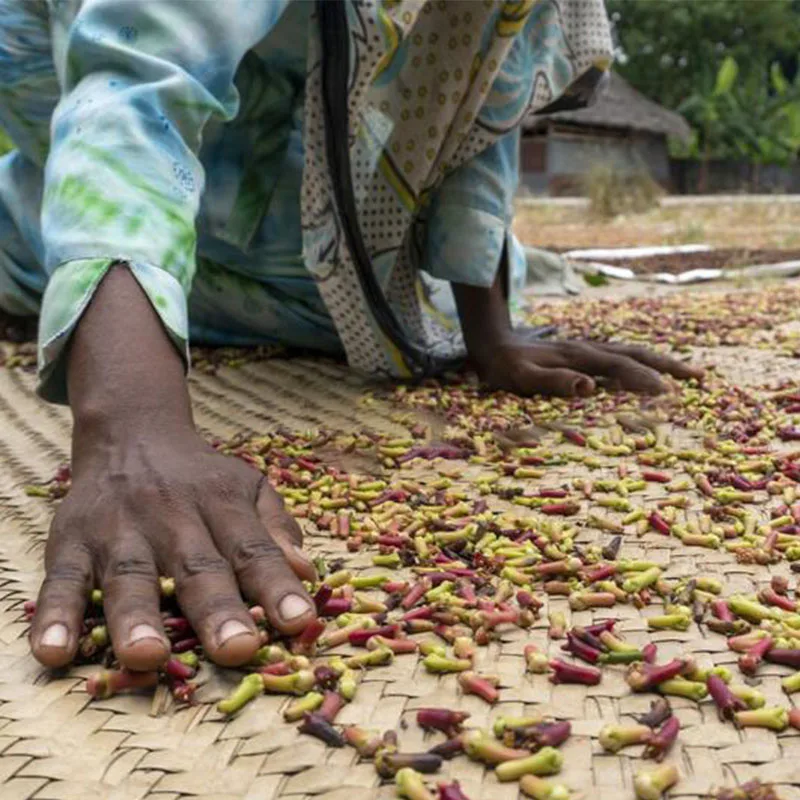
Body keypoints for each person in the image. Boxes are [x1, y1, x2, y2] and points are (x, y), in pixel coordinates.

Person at [0, 0, 701, 673]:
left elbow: (480, 74)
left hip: (303, 207)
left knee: (381, 316)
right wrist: (130, 422)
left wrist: (491, 332)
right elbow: (136, 77)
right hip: (98, 135)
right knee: (44, 252)